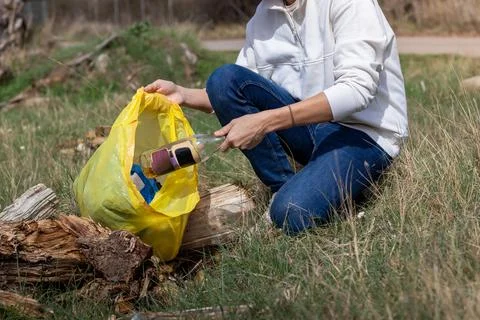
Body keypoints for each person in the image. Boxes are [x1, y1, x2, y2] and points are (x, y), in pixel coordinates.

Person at [145, 0, 408, 235]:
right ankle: (282, 186)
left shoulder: (348, 3)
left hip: (362, 133)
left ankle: (299, 199)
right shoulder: (262, 17)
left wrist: (266, 121)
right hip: (308, 127)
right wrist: (183, 94)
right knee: (223, 78)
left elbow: (357, 91)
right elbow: (233, 89)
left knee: (292, 213)